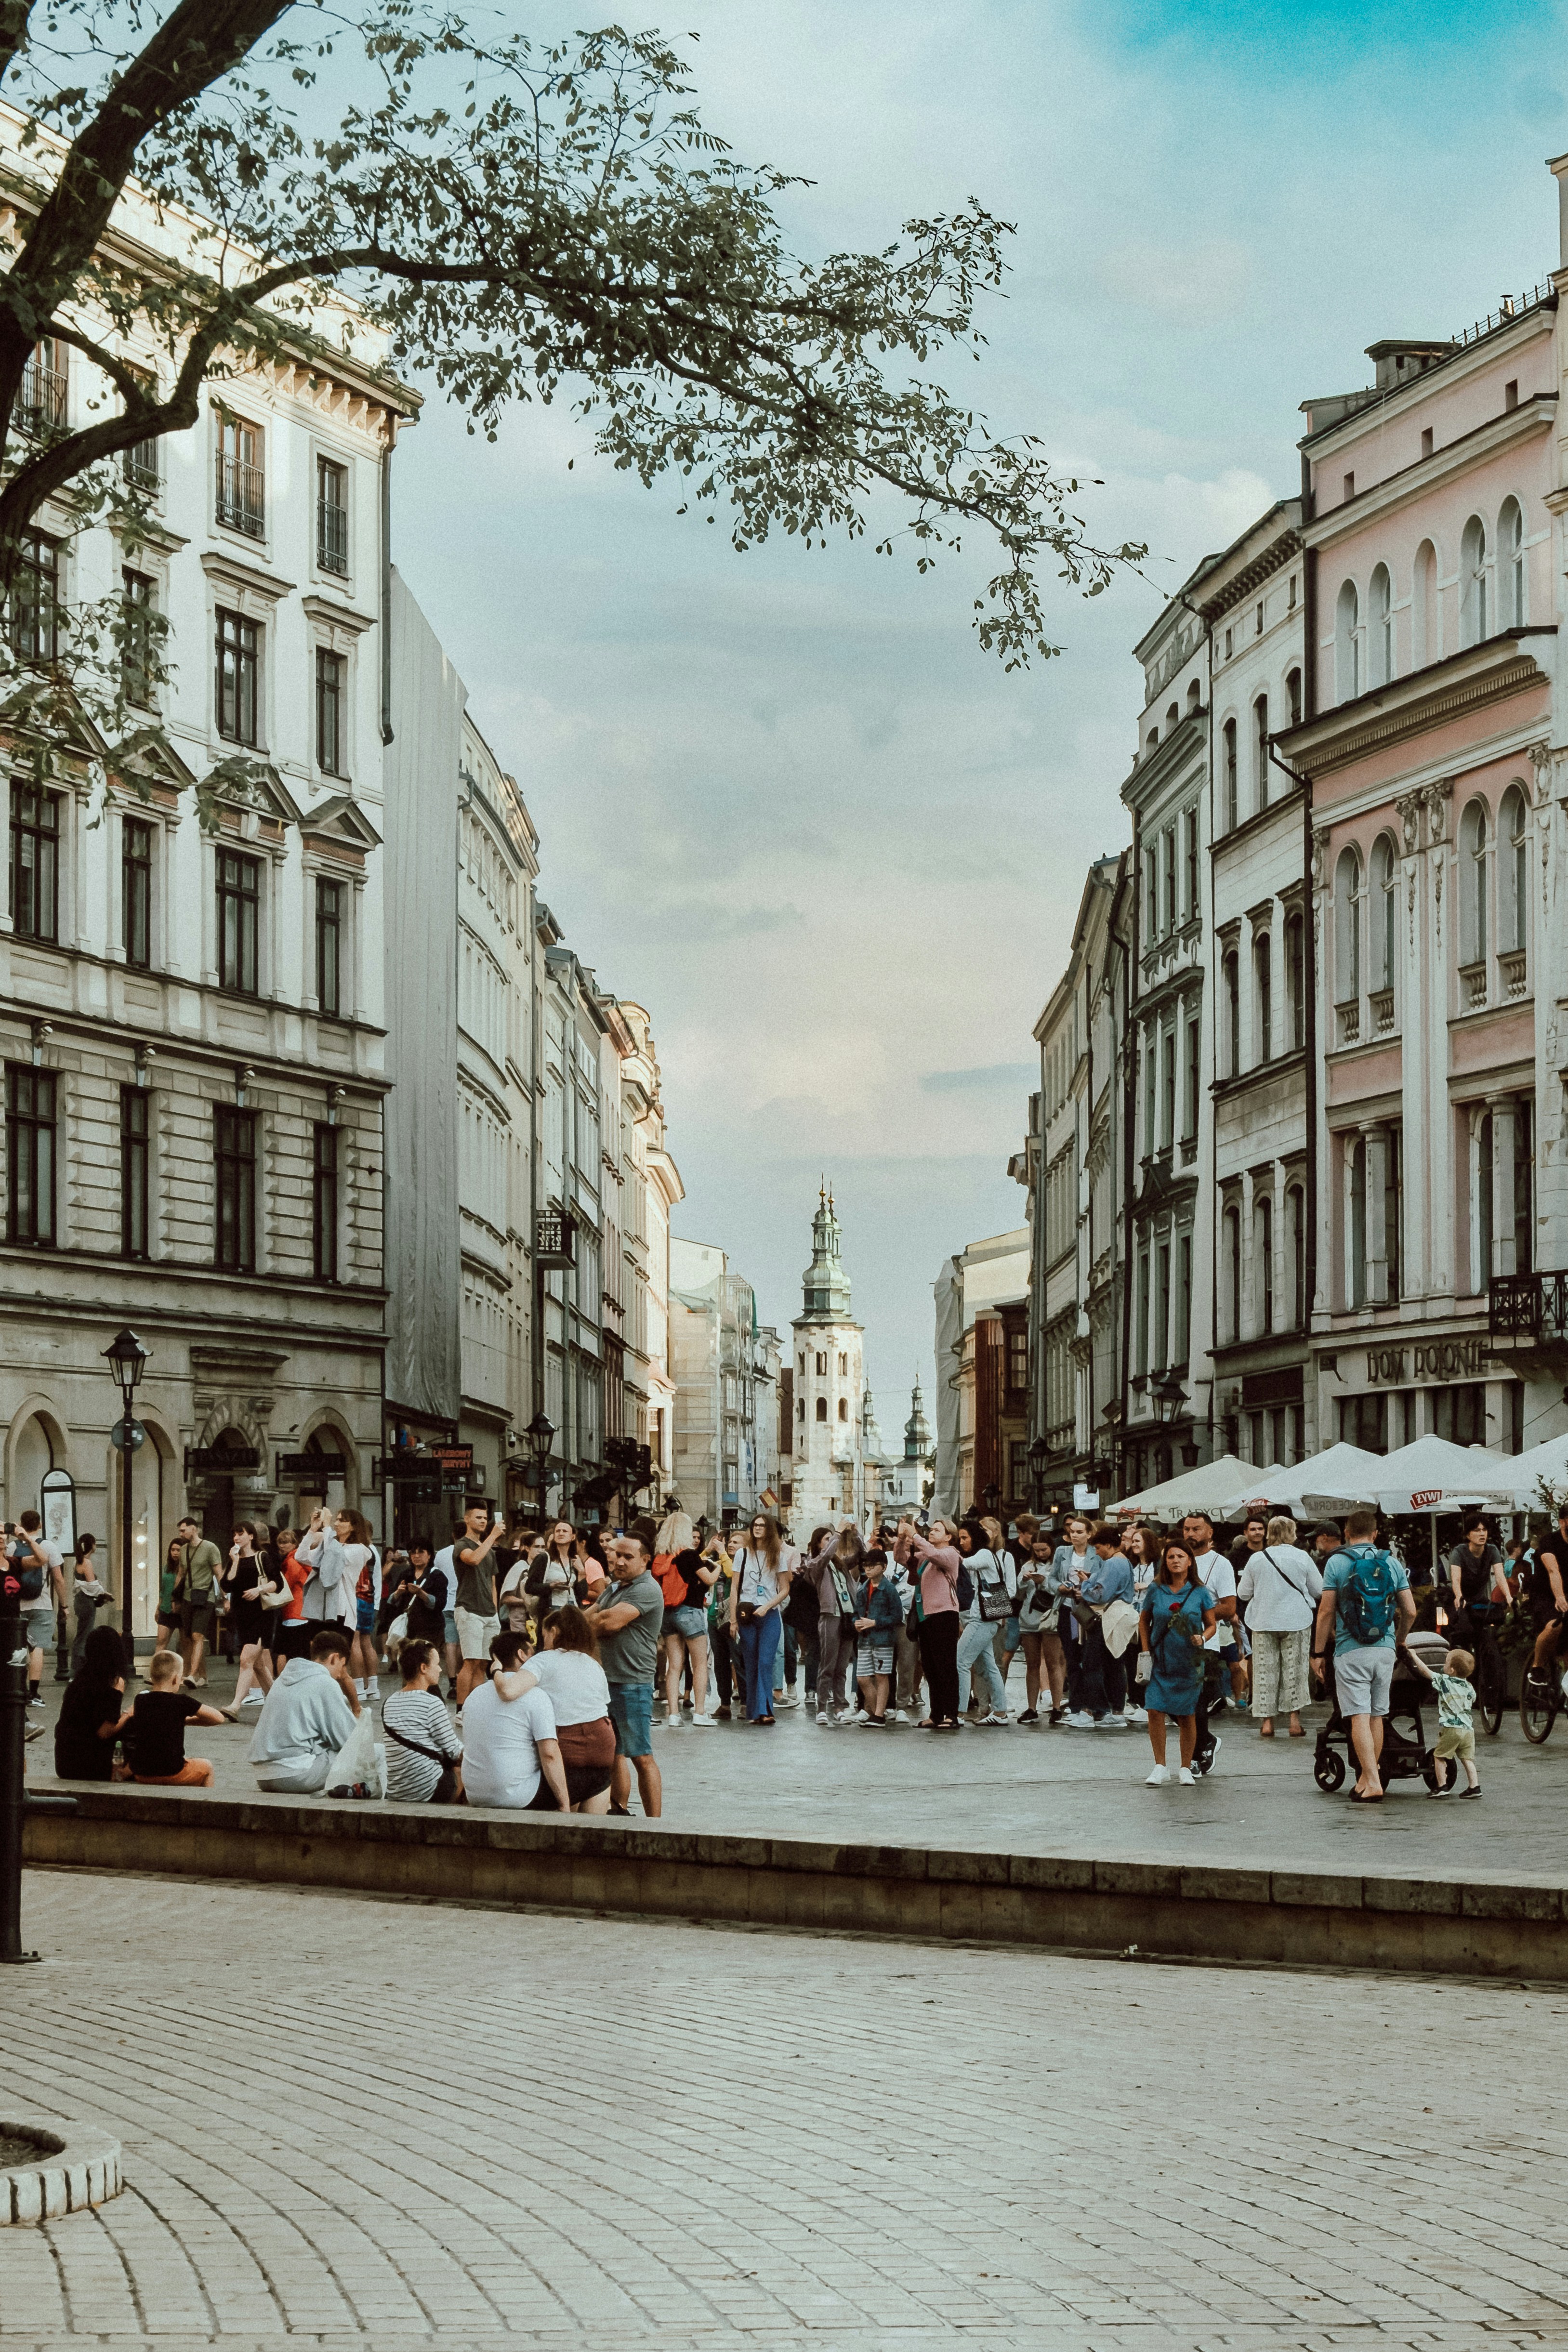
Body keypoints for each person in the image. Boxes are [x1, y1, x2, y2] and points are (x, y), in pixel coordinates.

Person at [1311, 1507, 1415, 1804]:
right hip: (1384, 1650)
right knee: (1377, 1716)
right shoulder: (1391, 1563)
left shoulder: (1336, 1563)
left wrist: (1318, 1652)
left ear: (1346, 1533)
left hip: (1350, 1650)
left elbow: (1326, 1612)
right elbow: (1410, 1610)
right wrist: (1399, 1640)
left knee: (1358, 1716)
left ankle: (1372, 1782)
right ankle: (1365, 1779)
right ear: (1375, 1534)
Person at [584, 1519, 665, 1813]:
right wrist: (597, 1623)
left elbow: (609, 1621)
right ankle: (619, 1810)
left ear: (646, 1560)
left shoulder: (647, 1589)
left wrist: (599, 1623)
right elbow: (587, 1620)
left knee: (641, 1755)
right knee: (615, 1753)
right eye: (617, 1554)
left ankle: (655, 1823)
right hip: (607, 1681)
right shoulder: (616, 1587)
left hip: (633, 1683)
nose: (619, 1560)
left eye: (627, 1557)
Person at [503, 1604, 615, 1810]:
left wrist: (496, 1672)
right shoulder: (593, 1663)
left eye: (544, 1635)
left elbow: (510, 1692)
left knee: (566, 1801)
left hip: (567, 1745)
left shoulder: (543, 1660)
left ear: (554, 1632)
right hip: (603, 1744)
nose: (543, 1642)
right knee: (595, 1795)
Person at [462, 1628, 571, 1809]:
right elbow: (549, 1754)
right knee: (596, 1779)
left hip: (475, 1794)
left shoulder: (474, 1695)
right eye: (533, 1655)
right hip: (518, 1796)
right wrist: (564, 1805)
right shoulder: (536, 1695)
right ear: (522, 1655)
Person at [1139, 1539, 1217, 1786]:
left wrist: (1203, 1637)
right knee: (1154, 1711)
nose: (1175, 1561)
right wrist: (1145, 1651)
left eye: (1180, 1557)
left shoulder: (1200, 1592)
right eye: (1171, 1557)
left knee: (1187, 1715)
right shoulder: (1156, 1589)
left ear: (1190, 1561)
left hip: (1189, 1662)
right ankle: (1160, 1766)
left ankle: (1185, 1767)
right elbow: (1144, 1620)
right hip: (1160, 1660)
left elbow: (1212, 1624)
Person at [1236, 1514, 1322, 1737]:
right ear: (1291, 1533)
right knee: (1295, 1672)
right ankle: (1294, 1722)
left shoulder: (1256, 1559)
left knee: (1265, 1672)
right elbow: (1319, 1590)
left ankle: (1267, 1723)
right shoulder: (1302, 1557)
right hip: (1297, 1621)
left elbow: (1243, 1594)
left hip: (1263, 1621)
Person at [249, 1626, 361, 1793]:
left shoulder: (283, 1679)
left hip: (264, 1777)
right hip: (298, 1774)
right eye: (342, 1667)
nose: (340, 1675)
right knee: (374, 1753)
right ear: (334, 1658)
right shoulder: (325, 1683)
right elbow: (350, 1740)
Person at [1182, 1511, 1239, 1771]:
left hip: (1206, 1642)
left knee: (1195, 1701)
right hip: (1173, 1641)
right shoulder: (1176, 1560)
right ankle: (1206, 1740)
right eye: (1187, 1529)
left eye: (1196, 1529)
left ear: (1209, 1533)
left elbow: (1229, 1607)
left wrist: (1198, 1614)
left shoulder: (1221, 1564)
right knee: (1166, 1699)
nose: (1191, 1534)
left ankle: (1197, 1753)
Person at [894, 1518, 963, 1730]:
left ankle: (951, 1714)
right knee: (930, 1668)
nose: (931, 1533)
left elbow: (937, 1556)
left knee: (946, 1667)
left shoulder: (951, 1554)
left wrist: (915, 1535)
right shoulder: (924, 1555)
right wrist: (901, 1539)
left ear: (949, 1536)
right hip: (926, 1615)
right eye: (931, 1530)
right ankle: (936, 1714)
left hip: (945, 1614)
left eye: (937, 1530)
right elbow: (900, 1558)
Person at [726, 1512, 794, 1728]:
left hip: (769, 1613)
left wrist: (768, 1606)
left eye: (763, 1526)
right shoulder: (743, 1554)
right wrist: (733, 1620)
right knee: (752, 1663)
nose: (758, 1529)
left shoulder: (778, 1555)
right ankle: (755, 1711)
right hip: (746, 1613)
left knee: (766, 1661)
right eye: (755, 1525)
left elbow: (785, 1589)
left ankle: (766, 1710)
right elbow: (735, 1588)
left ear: (770, 1529)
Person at [796, 1523, 865, 1726]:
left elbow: (862, 1555)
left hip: (847, 1615)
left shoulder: (840, 1564)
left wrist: (855, 1535)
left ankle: (839, 1708)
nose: (832, 1542)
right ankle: (821, 1708)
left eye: (831, 1539)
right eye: (826, 1539)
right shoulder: (814, 1564)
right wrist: (837, 1534)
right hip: (830, 1615)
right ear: (819, 1543)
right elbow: (824, 1557)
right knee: (827, 1665)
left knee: (842, 1666)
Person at [125, 1648, 225, 1787]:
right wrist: (187, 1721)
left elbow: (157, 1720)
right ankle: (205, 1805)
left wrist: (179, 1721)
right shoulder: (182, 1702)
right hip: (172, 1772)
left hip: (143, 1773)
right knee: (207, 1767)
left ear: (152, 1678)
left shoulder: (140, 1700)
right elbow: (219, 1718)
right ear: (176, 1679)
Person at [382, 1638, 465, 1804]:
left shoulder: (389, 1702)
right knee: (464, 1768)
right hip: (428, 1790)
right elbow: (455, 1751)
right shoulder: (432, 1703)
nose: (441, 1669)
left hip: (397, 1791)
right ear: (423, 1668)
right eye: (437, 1664)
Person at [653, 1509, 716, 1725]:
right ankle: (700, 1713)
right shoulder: (688, 1555)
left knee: (674, 1665)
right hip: (690, 1611)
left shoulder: (661, 1557)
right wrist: (717, 1569)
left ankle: (673, 1715)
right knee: (699, 1663)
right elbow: (708, 1580)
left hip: (667, 1614)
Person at [955, 1520, 1013, 1726]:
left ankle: (959, 1713)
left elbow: (961, 1564)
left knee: (961, 1662)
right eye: (960, 1538)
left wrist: (945, 1554)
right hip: (989, 1617)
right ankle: (1000, 1712)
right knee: (990, 1666)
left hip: (981, 1617)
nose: (962, 1542)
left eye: (965, 1537)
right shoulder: (989, 1556)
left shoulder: (985, 1555)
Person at [54, 1624, 129, 1781]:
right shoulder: (113, 1683)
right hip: (90, 1765)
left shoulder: (78, 1682)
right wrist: (129, 1714)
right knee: (131, 1724)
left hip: (65, 1764)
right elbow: (105, 1731)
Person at [1405, 1643, 1480, 1798]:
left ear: (1452, 1670)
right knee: (1467, 1759)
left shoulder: (1445, 1681)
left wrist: (1413, 1655)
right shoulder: (1470, 1687)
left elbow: (1426, 1672)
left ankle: (1442, 1786)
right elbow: (1472, 1700)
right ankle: (1475, 1787)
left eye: (1446, 1663)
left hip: (1452, 1727)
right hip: (1468, 1729)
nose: (1443, 1666)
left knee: (1439, 1756)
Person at [8, 1509, 65, 1710]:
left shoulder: (11, 1547)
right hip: (41, 1604)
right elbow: (58, 1578)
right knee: (37, 1648)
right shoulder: (48, 1546)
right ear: (40, 1524)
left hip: (16, 1604)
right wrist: (64, 1606)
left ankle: (16, 1688)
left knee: (17, 1647)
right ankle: (34, 1693)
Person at [219, 1524, 277, 1718]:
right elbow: (227, 1585)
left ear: (251, 1536)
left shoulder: (262, 1557)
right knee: (258, 1664)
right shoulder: (235, 1559)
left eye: (241, 1534)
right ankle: (278, 1700)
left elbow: (277, 1582)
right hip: (242, 1615)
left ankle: (235, 1706)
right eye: (234, 1534)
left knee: (246, 1659)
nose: (236, 1537)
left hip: (262, 1614)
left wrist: (258, 1590)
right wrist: (235, 1561)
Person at [450, 1498, 503, 1705]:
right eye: (478, 1517)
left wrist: (495, 1611)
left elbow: (493, 1584)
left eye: (485, 1517)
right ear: (467, 1519)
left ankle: (476, 1707)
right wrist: (493, 1536)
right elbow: (472, 1559)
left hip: (489, 1613)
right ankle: (462, 1710)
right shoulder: (462, 1545)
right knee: (470, 1661)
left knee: (483, 1663)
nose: (483, 1521)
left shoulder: (489, 1550)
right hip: (469, 1610)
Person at [1015, 1525, 1065, 1723]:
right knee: (1032, 1664)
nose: (1041, 1553)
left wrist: (1043, 1581)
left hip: (1050, 1618)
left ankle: (1057, 1707)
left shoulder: (1057, 1567)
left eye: (1044, 1549)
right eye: (1037, 1550)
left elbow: (1060, 1590)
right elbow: (1018, 1594)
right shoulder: (1027, 1565)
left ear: (1051, 1547)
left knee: (1054, 1663)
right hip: (1029, 1619)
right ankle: (1031, 1707)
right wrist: (1024, 1579)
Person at [851, 1548, 902, 1724]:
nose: (868, 1569)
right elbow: (856, 1613)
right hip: (865, 1639)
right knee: (863, 1678)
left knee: (882, 1676)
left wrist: (874, 1622)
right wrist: (856, 1623)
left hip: (883, 1640)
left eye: (872, 1566)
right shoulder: (863, 1589)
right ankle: (875, 1711)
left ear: (883, 1567)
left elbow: (897, 1616)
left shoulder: (889, 1589)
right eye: (866, 1566)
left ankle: (878, 1714)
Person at [173, 1515, 222, 1687]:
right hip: (187, 1597)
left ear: (194, 1529)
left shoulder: (210, 1548)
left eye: (183, 1530)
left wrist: (225, 1597)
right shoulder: (184, 1550)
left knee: (197, 1635)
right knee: (188, 1639)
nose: (181, 1533)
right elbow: (181, 1573)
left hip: (205, 1596)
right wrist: (175, 1597)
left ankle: (192, 1675)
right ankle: (204, 1677)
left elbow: (219, 1573)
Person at [1446, 1517, 1509, 1645]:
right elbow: (1456, 1578)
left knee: (1495, 1627)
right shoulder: (1459, 1552)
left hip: (1479, 1601)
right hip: (1459, 1601)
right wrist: (1459, 1596)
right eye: (1477, 1530)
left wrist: (1508, 1596)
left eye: (1484, 1530)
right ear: (1468, 1535)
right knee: (1464, 1631)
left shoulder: (1492, 1550)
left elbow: (1500, 1576)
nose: (1482, 1533)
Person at [1525, 1503, 1568, 1682]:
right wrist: (1560, 1597)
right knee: (1555, 1625)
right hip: (1545, 1595)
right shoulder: (1549, 1543)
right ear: (1562, 1522)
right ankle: (1538, 1667)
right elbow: (1553, 1571)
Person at [68, 1535, 113, 1674]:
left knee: (82, 1633)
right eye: (95, 1543)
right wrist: (104, 1594)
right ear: (92, 1545)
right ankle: (78, 1668)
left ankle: (78, 1666)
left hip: (80, 1601)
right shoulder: (87, 1563)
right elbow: (92, 1585)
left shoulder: (78, 1561)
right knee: (85, 1634)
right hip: (86, 1602)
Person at [270, 1527, 311, 1670]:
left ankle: (284, 1681)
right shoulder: (296, 1560)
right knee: (296, 1652)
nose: (282, 1545)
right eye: (280, 1542)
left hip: (293, 1611)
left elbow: (285, 1585)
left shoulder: (291, 1562)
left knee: (286, 1651)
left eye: (286, 1542)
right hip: (300, 1611)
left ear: (295, 1545)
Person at [154, 1536, 183, 1660]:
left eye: (178, 1550)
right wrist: (159, 1607)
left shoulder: (185, 1568)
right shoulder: (167, 1568)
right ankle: (155, 1671)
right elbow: (163, 1589)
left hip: (181, 1608)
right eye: (173, 1550)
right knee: (161, 1641)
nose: (175, 1553)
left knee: (184, 1643)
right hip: (166, 1607)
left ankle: (184, 1673)